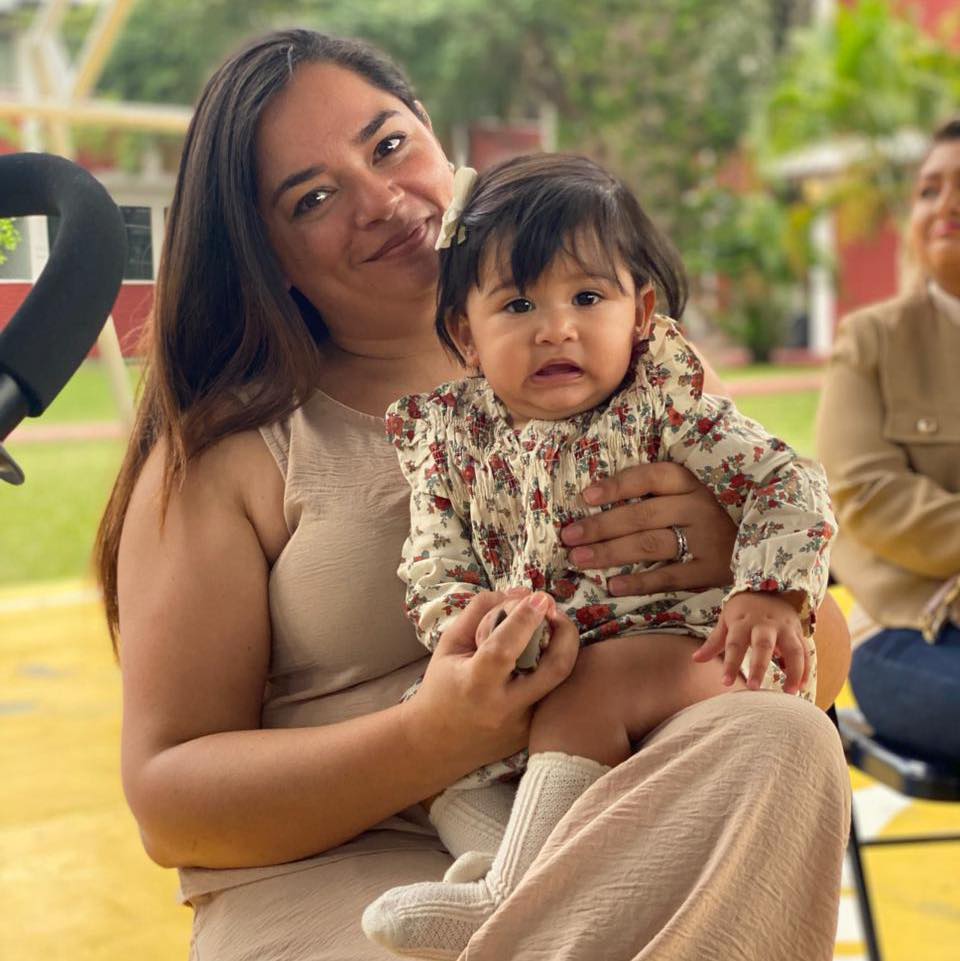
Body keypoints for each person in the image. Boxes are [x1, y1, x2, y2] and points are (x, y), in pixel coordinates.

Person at [95, 28, 851, 961]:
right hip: (343, 870)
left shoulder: (641, 372)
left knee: (786, 740)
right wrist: (435, 734)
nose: (380, 200)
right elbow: (170, 806)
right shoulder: (229, 452)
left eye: (388, 145)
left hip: (620, 822)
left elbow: (819, 669)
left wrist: (732, 559)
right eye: (314, 197)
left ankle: (524, 912)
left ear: (434, 135)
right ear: (267, 252)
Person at [360, 154, 836, 958]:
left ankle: (505, 900)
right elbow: (435, 559)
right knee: (448, 773)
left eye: (587, 297)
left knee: (590, 687)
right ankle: (521, 878)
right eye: (518, 304)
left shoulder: (666, 409)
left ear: (640, 311)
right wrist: (476, 625)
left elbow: (789, 481)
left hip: (682, 651)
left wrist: (768, 591)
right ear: (466, 334)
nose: (557, 328)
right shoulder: (450, 439)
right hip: (536, 669)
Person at [816, 118, 960, 761]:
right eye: (929, 190)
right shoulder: (873, 340)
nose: (945, 205)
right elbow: (866, 494)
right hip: (910, 632)